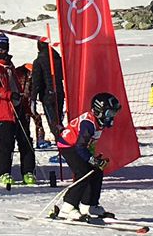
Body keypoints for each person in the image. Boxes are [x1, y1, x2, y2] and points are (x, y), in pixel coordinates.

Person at [48, 92, 121, 223]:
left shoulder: (99, 123)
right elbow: (80, 147)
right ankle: (67, 207)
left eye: (114, 114)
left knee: (97, 171)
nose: (112, 117)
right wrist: (91, 159)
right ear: (99, 111)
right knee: (83, 173)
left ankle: (89, 205)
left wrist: (95, 160)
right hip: (68, 146)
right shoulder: (88, 124)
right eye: (110, 114)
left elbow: (89, 145)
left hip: (79, 147)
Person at [0, 34, 37, 187]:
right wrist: (9, 95)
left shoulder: (9, 65)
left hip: (17, 108)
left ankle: (28, 172)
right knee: (6, 143)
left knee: (26, 141)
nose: (2, 52)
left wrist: (23, 103)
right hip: (2, 111)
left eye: (4, 49)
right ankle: (4, 173)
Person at [30, 38, 65, 148]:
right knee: (58, 119)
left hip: (47, 95)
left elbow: (37, 82)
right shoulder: (57, 58)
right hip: (59, 92)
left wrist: (33, 98)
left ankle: (63, 145)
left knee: (53, 122)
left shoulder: (39, 60)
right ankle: (64, 142)